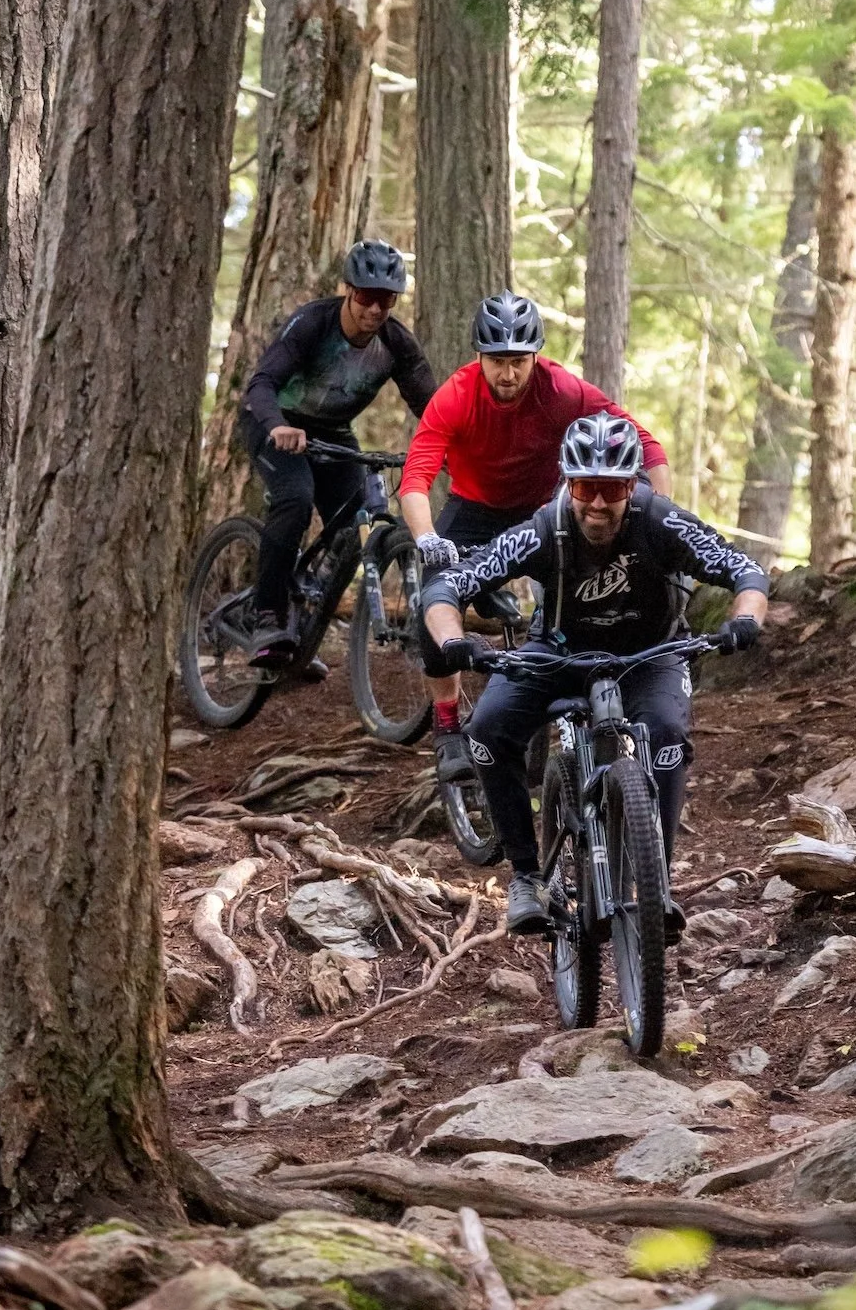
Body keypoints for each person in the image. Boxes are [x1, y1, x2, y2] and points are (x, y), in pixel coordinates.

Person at [421, 411, 770, 934]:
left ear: (634, 484)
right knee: (488, 730)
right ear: (568, 482)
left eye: (615, 487)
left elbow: (744, 570)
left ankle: (657, 882)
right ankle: (525, 876)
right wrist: (453, 641)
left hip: (648, 656)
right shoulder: (546, 528)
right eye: (586, 487)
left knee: (668, 736)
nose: (600, 503)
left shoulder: (660, 521)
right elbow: (448, 587)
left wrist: (743, 620)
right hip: (558, 652)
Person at [399, 289, 672, 781]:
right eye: (498, 361)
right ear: (479, 358)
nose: (508, 374)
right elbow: (416, 479)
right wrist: (426, 539)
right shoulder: (455, 398)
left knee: (575, 593)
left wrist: (663, 514)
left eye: (519, 361)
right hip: (475, 506)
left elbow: (644, 442)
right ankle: (445, 725)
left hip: (544, 508)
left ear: (535, 357)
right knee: (435, 590)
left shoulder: (562, 389)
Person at [240, 241, 436, 664]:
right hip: (273, 422)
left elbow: (433, 407)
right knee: (295, 499)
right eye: (366, 297)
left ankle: (305, 630)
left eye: (387, 300)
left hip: (331, 432)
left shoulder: (396, 343)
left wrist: (454, 446)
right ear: (347, 290)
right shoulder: (313, 323)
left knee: (353, 528)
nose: (375, 310)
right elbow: (261, 384)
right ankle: (266, 615)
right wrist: (277, 426)